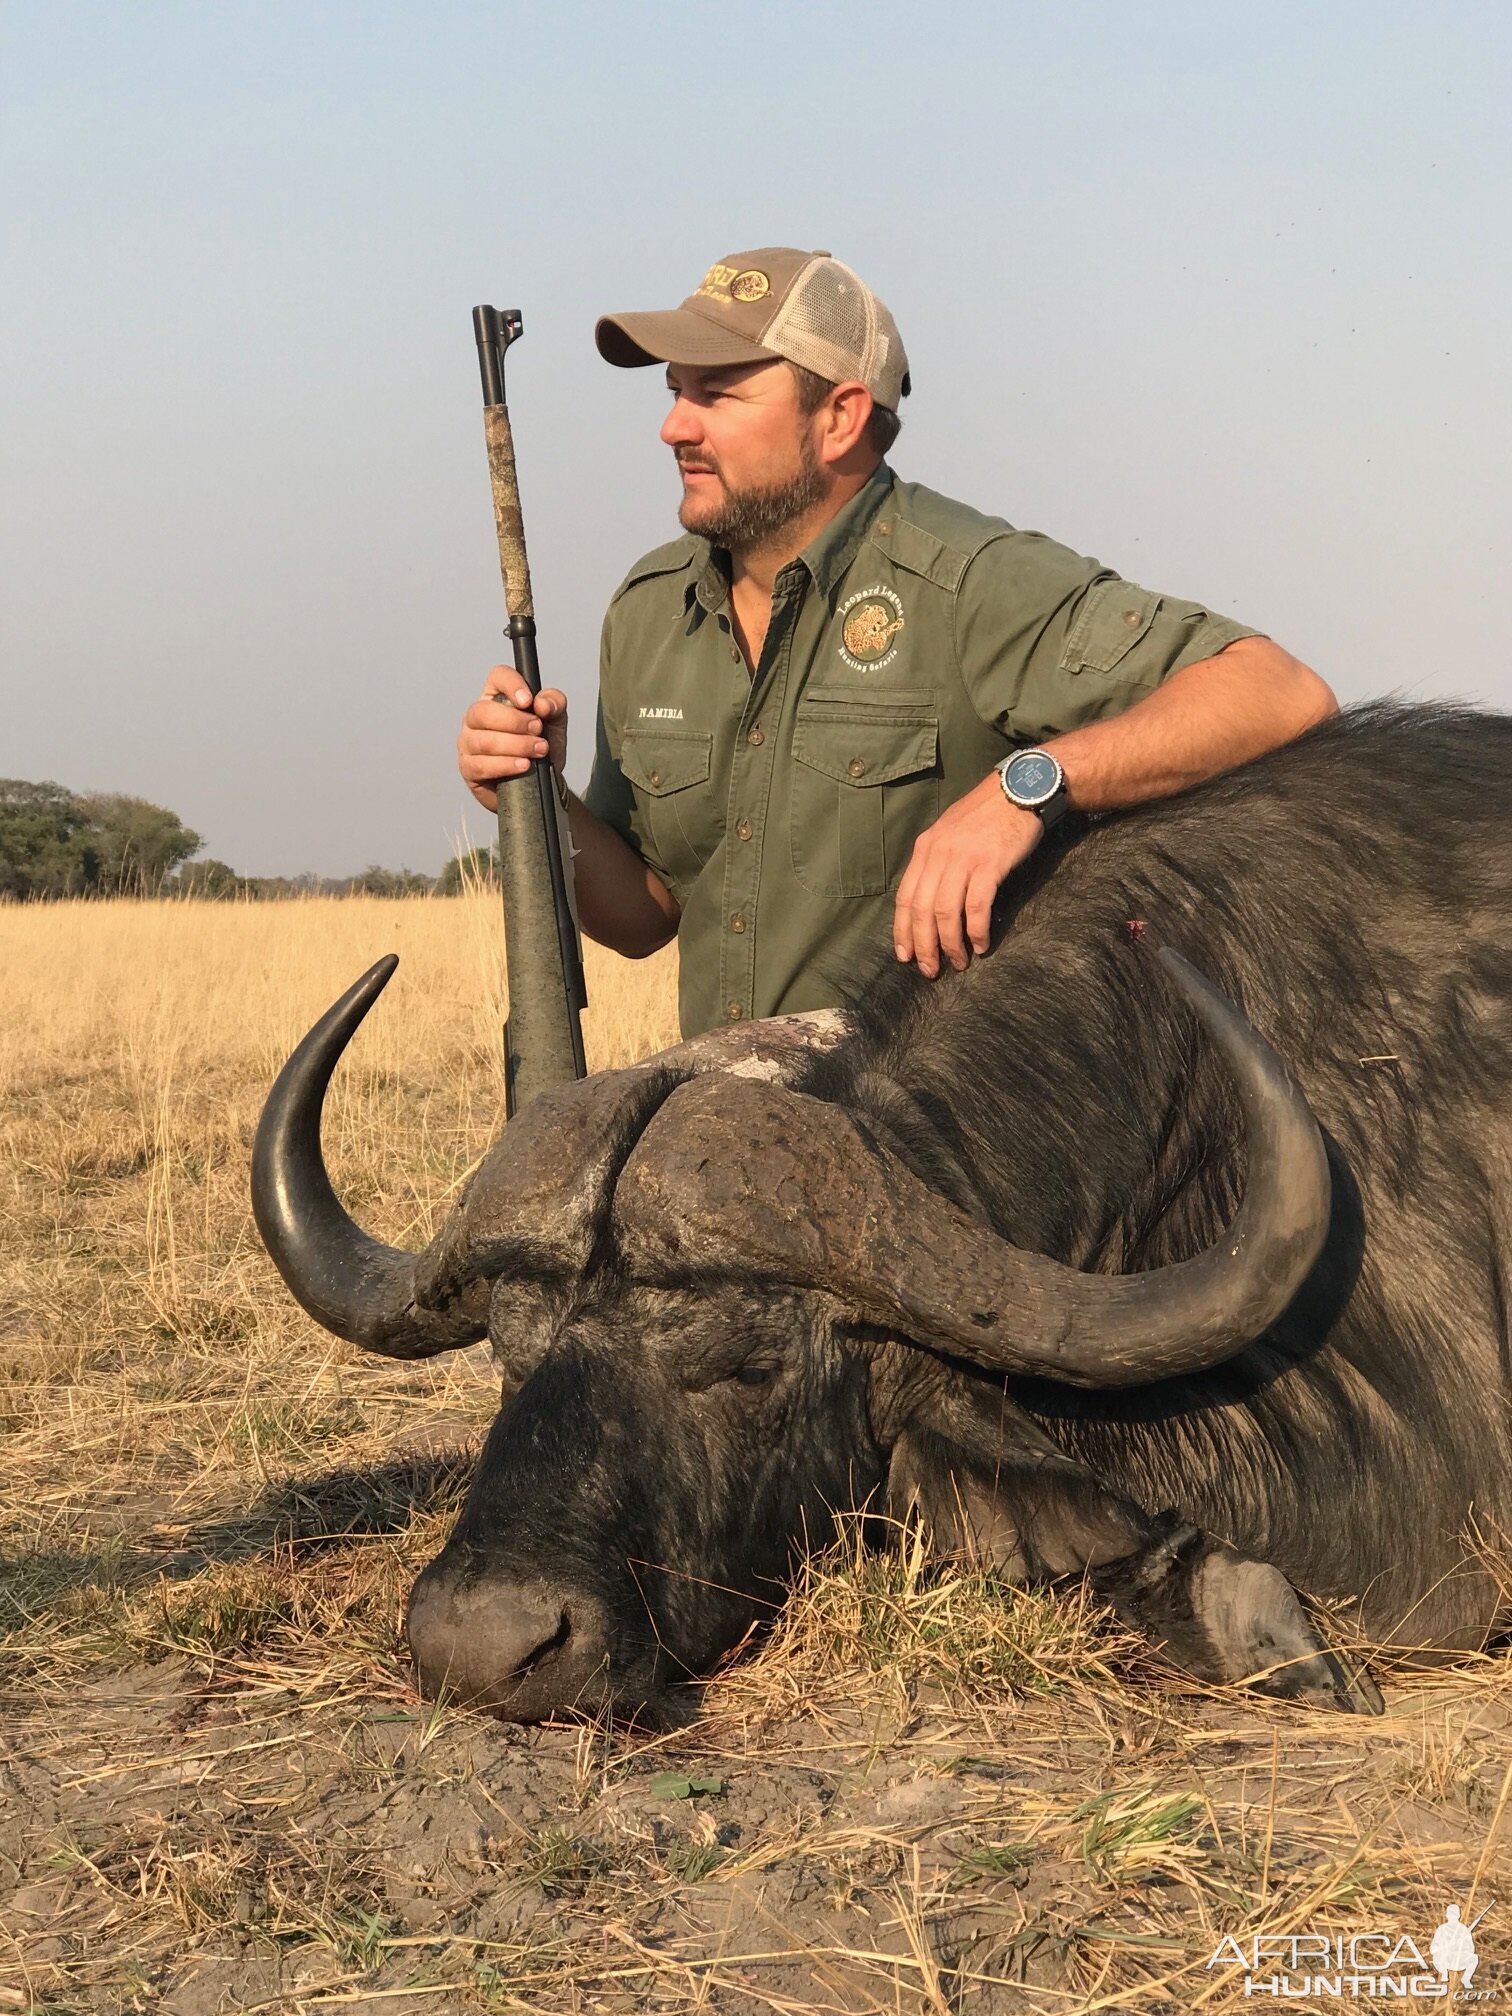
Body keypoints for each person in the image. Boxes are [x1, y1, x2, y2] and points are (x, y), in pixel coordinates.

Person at [458, 246, 1337, 1039]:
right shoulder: (651, 611)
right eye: (676, 391)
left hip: (922, 1154)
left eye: (717, 394)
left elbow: (1281, 693)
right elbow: (646, 918)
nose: (675, 427)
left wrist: (1023, 790)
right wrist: (535, 799)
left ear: (839, 417)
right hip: (719, 1145)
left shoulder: (972, 583)